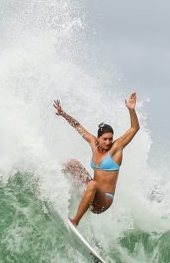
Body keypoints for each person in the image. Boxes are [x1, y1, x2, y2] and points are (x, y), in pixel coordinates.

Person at [53, 92, 140, 226]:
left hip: (103, 201)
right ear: (98, 138)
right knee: (72, 163)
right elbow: (78, 126)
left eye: (110, 138)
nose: (108, 142)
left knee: (92, 184)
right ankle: (50, 181)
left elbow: (134, 128)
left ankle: (75, 221)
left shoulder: (116, 148)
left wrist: (131, 110)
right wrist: (63, 114)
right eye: (105, 139)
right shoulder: (93, 144)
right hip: (91, 194)